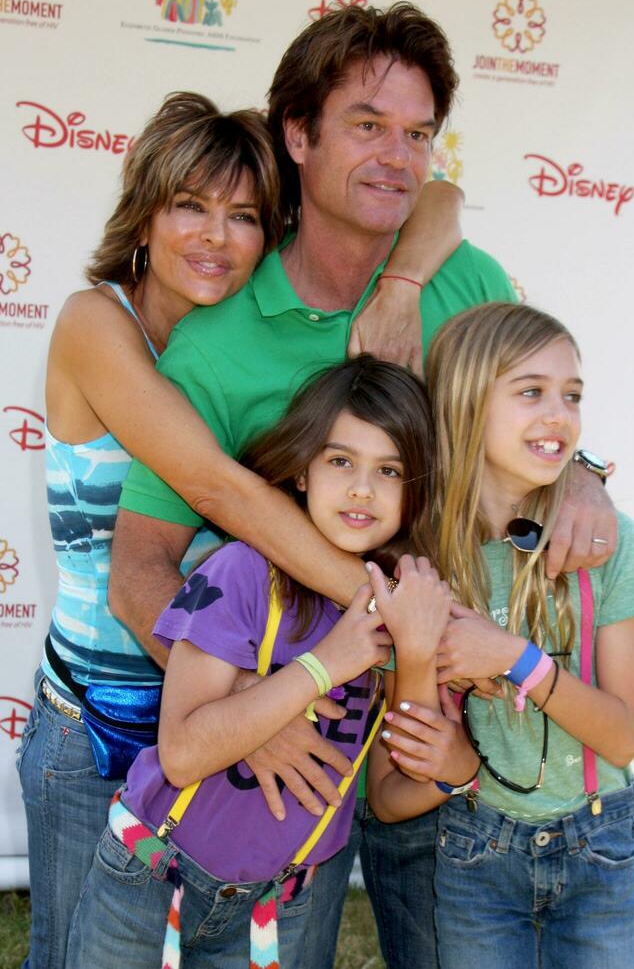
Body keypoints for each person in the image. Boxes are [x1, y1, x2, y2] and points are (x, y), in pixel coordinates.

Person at [111, 3, 618, 967]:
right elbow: (141, 566)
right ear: (296, 135)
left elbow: (535, 431)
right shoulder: (219, 338)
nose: (399, 156)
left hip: (465, 727)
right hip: (319, 737)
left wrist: (584, 478)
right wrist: (244, 718)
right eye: (368, 126)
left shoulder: (463, 280)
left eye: (418, 134)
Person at [18, 90, 463, 969]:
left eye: (245, 216)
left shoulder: (252, 336)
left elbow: (439, 197)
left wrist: (406, 275)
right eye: (190, 206)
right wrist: (393, 613)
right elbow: (216, 488)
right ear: (144, 213)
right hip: (109, 721)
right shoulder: (94, 322)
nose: (216, 238)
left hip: (244, 702)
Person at [65, 356, 469, 968]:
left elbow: (393, 790)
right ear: (302, 471)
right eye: (340, 461)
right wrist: (322, 667)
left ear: (415, 495)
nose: (362, 488)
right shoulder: (240, 572)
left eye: (389, 470)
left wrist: (447, 738)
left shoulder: (406, 608)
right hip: (150, 880)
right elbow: (182, 751)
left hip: (279, 909)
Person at [367, 302, 634, 968]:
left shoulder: (609, 546)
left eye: (571, 395)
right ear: (467, 405)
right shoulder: (421, 559)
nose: (559, 413)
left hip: (597, 842)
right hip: (475, 849)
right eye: (531, 392)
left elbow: (621, 735)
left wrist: (518, 661)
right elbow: (403, 758)